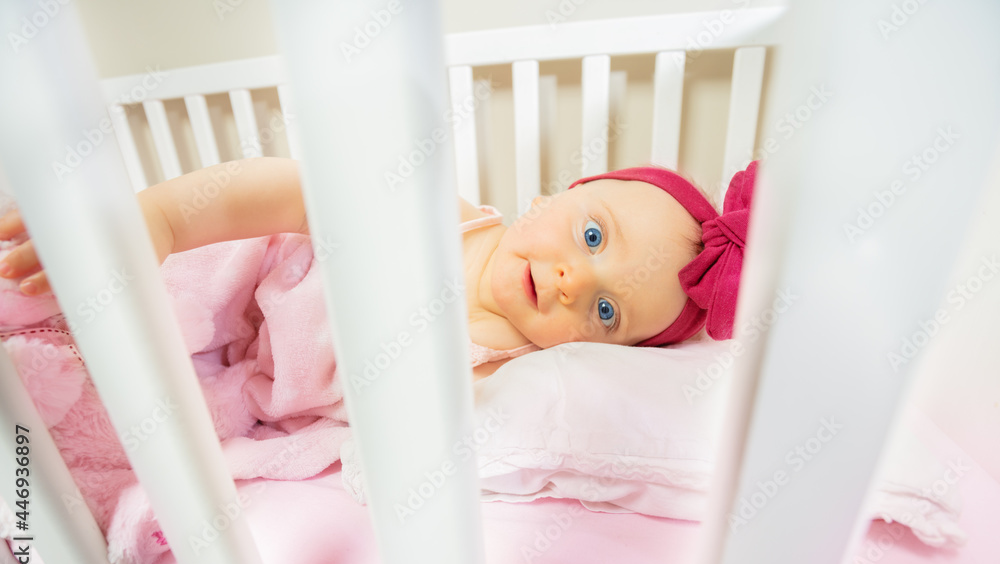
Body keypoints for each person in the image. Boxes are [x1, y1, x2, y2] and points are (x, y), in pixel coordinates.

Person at [0, 157, 757, 380]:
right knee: (83, 295)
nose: (573, 281)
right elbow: (301, 189)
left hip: (242, 379)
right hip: (237, 288)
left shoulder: (509, 370)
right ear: (556, 194)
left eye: (603, 312)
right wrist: (162, 218)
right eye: (593, 237)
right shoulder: (443, 214)